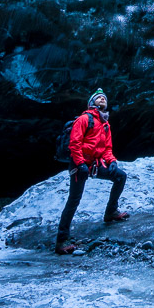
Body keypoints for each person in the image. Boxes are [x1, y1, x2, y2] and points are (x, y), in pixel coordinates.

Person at [55, 88, 128, 255]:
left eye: (104, 98)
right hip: (79, 165)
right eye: (98, 98)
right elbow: (75, 143)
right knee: (74, 200)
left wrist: (112, 162)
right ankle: (61, 241)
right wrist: (80, 164)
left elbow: (107, 148)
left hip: (94, 164)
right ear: (91, 103)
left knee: (120, 176)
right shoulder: (84, 119)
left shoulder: (105, 124)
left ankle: (111, 212)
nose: (102, 99)